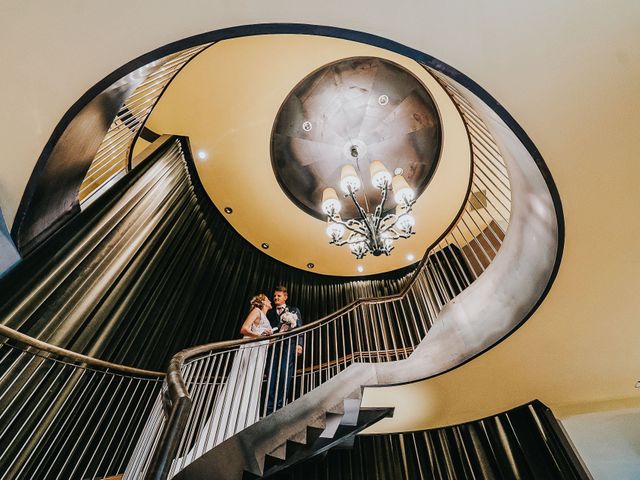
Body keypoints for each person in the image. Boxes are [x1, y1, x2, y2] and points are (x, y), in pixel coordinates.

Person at [172, 294, 273, 471]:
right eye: (268, 298)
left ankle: (247, 420)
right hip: (251, 350)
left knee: (252, 386)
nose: (270, 301)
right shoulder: (256, 310)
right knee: (243, 383)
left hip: (260, 353)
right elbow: (244, 329)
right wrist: (259, 335)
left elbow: (263, 337)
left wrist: (268, 337)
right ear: (262, 301)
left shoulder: (265, 316)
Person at [265, 285, 304, 415]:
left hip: (288, 347)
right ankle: (269, 409)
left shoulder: (293, 310)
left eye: (279, 296)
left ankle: (280, 407)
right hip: (273, 348)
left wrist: (300, 344)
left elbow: (299, 328)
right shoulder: (269, 312)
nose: (275, 297)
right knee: (271, 376)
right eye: (275, 296)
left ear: (285, 297)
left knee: (284, 375)